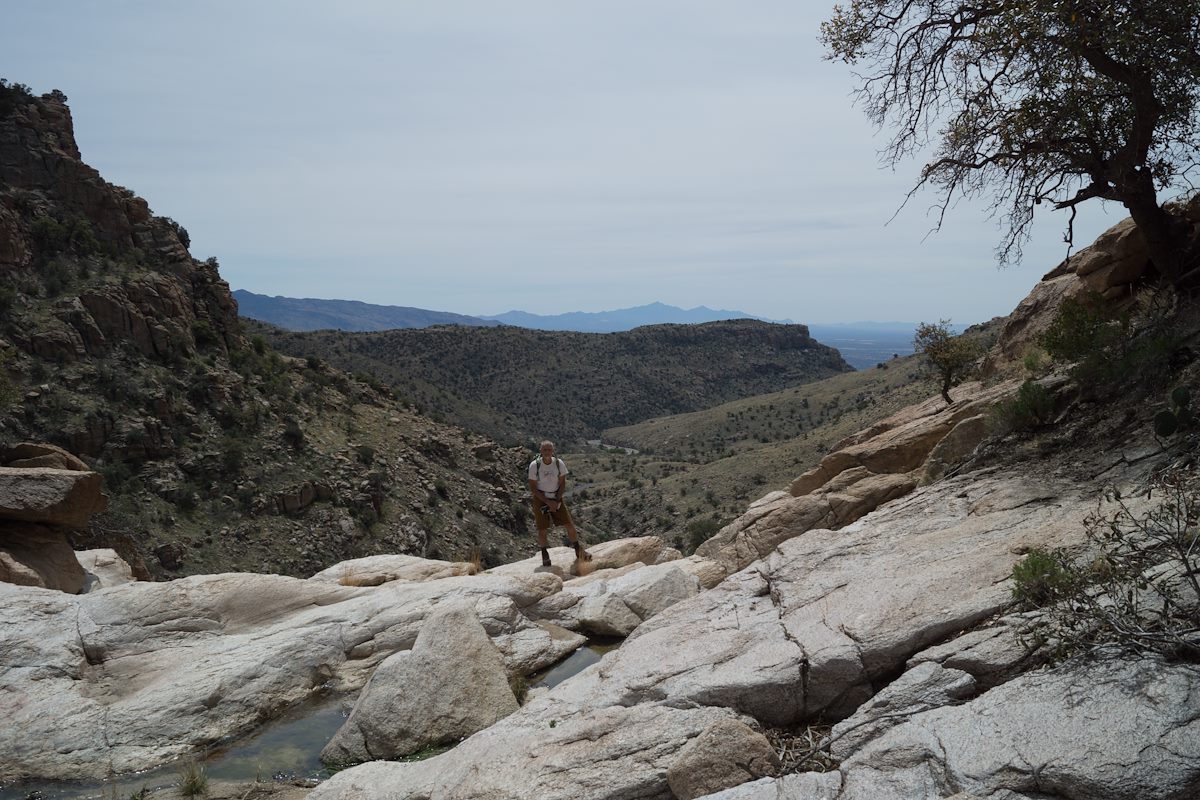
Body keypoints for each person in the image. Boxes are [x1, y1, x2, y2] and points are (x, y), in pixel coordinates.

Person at [528, 440, 591, 567]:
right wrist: (547, 502)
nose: (547, 452)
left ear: (553, 451)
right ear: (540, 451)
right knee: (542, 528)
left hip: (556, 497)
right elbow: (533, 488)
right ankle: (545, 555)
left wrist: (556, 500)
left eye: (549, 450)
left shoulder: (558, 463)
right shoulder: (535, 465)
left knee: (569, 524)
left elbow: (562, 483)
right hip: (541, 499)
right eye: (544, 450)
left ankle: (578, 551)